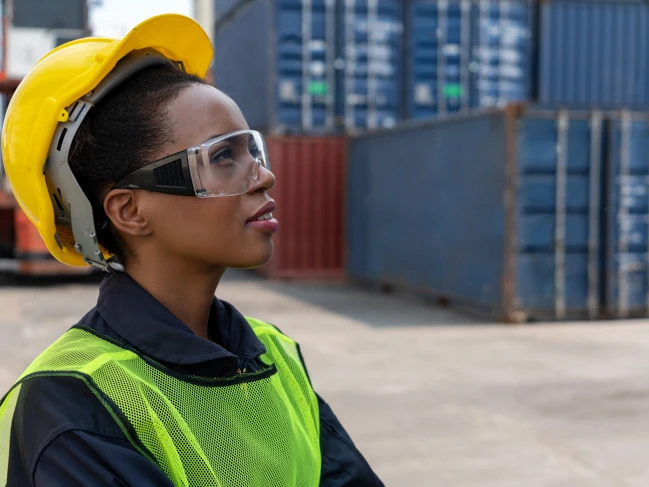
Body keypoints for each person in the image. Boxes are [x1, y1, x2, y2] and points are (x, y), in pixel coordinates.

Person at [0, 14, 383, 487]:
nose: (264, 176)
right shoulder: (72, 404)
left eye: (251, 151)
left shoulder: (272, 355)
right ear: (130, 211)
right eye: (222, 157)